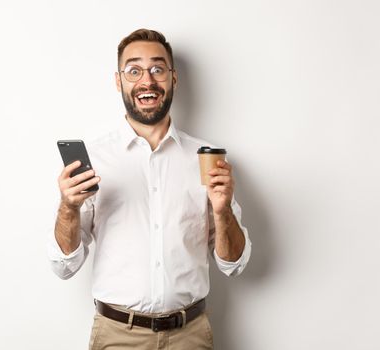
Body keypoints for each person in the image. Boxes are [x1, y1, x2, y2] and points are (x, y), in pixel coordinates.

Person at [48, 28, 251, 350]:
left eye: (158, 69)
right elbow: (64, 266)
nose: (147, 80)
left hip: (191, 336)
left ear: (173, 78)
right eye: (134, 70)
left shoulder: (207, 159)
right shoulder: (94, 159)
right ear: (119, 81)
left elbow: (234, 264)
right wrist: (68, 208)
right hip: (117, 336)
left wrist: (223, 210)